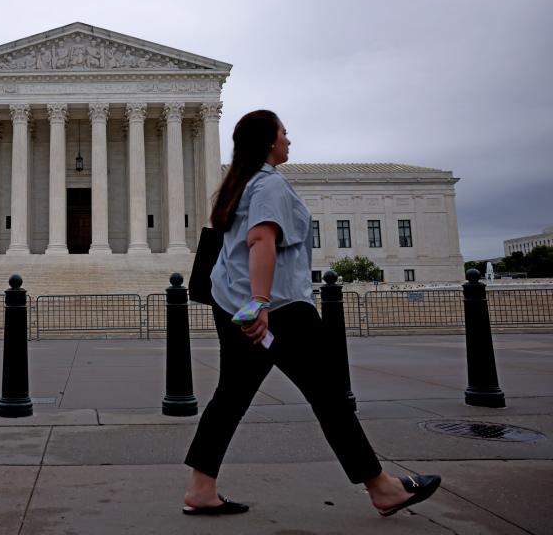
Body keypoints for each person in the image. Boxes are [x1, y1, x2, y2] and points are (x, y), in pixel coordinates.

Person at [182, 110, 440, 517]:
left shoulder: (237, 186)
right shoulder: (267, 184)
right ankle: (383, 488)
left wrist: (249, 306)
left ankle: (201, 488)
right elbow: (261, 240)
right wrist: (261, 304)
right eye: (284, 133)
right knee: (329, 396)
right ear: (268, 141)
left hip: (234, 307)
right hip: (278, 308)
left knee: (229, 398)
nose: (289, 140)